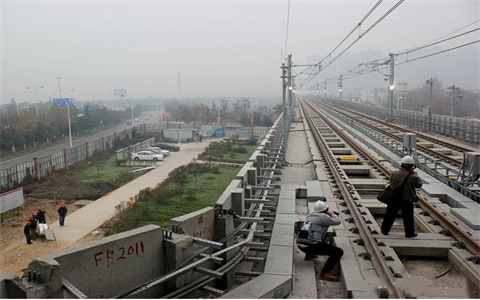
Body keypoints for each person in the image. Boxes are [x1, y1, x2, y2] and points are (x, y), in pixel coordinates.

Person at [298, 200, 344, 282]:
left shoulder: (310, 215)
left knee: (318, 236)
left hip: (300, 245)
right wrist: (332, 214)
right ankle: (325, 273)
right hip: (310, 246)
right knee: (338, 252)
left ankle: (309, 255)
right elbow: (338, 221)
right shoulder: (324, 217)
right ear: (326, 209)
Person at [381, 155, 423, 238]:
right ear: (412, 166)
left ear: (402, 164)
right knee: (408, 218)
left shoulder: (394, 173)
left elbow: (391, 181)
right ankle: (409, 233)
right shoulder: (414, 176)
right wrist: (415, 175)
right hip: (407, 199)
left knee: (390, 215)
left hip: (394, 198)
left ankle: (385, 230)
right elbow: (418, 185)